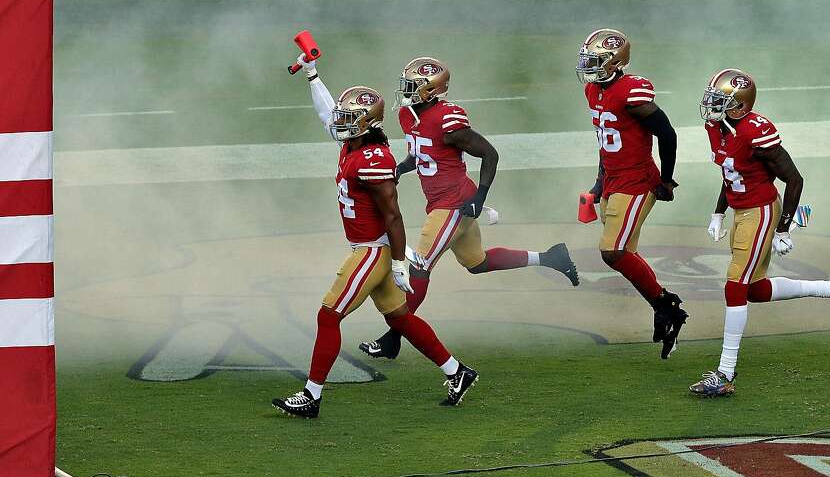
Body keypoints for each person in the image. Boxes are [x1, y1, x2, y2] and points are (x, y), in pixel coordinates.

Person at [271, 53, 477, 418]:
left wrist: (398, 262)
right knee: (399, 318)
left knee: (328, 315)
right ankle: (457, 371)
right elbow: (326, 114)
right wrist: (313, 75)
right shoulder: (352, 145)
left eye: (348, 119)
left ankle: (311, 395)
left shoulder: (373, 157)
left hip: (372, 252)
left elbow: (393, 215)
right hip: (371, 249)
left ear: (366, 124)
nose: (339, 123)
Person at [359, 57, 579, 359]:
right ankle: (551, 257)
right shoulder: (409, 116)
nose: (406, 91)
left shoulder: (449, 121)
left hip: (454, 204)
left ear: (432, 91)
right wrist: (400, 169)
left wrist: (481, 196)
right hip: (442, 202)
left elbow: (490, 154)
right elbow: (422, 154)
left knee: (419, 265)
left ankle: (394, 336)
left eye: (412, 86)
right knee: (477, 262)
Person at [689, 69, 830, 397]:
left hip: (762, 211)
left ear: (739, 105)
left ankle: (725, 373)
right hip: (742, 210)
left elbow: (794, 179)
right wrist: (718, 212)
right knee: (754, 290)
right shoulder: (717, 127)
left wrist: (782, 228)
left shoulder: (755, 131)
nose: (711, 105)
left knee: (734, 288)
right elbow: (731, 172)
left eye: (719, 100)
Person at [577, 28, 687, 358]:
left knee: (612, 252)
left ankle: (665, 304)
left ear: (615, 62)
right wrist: (599, 183)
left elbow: (668, 134)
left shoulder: (632, 92)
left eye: (595, 60)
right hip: (614, 180)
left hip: (638, 181)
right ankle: (665, 307)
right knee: (626, 253)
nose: (589, 67)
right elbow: (605, 142)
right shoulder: (592, 90)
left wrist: (666, 180)